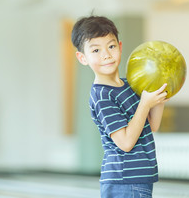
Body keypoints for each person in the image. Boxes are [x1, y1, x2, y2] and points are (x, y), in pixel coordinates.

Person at [71, 16, 168, 197]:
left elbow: (150, 126)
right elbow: (125, 143)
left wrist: (158, 100)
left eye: (111, 46)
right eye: (96, 50)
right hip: (124, 181)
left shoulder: (129, 85)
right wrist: (145, 103)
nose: (106, 54)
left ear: (120, 47)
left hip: (138, 179)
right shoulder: (102, 95)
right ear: (82, 58)